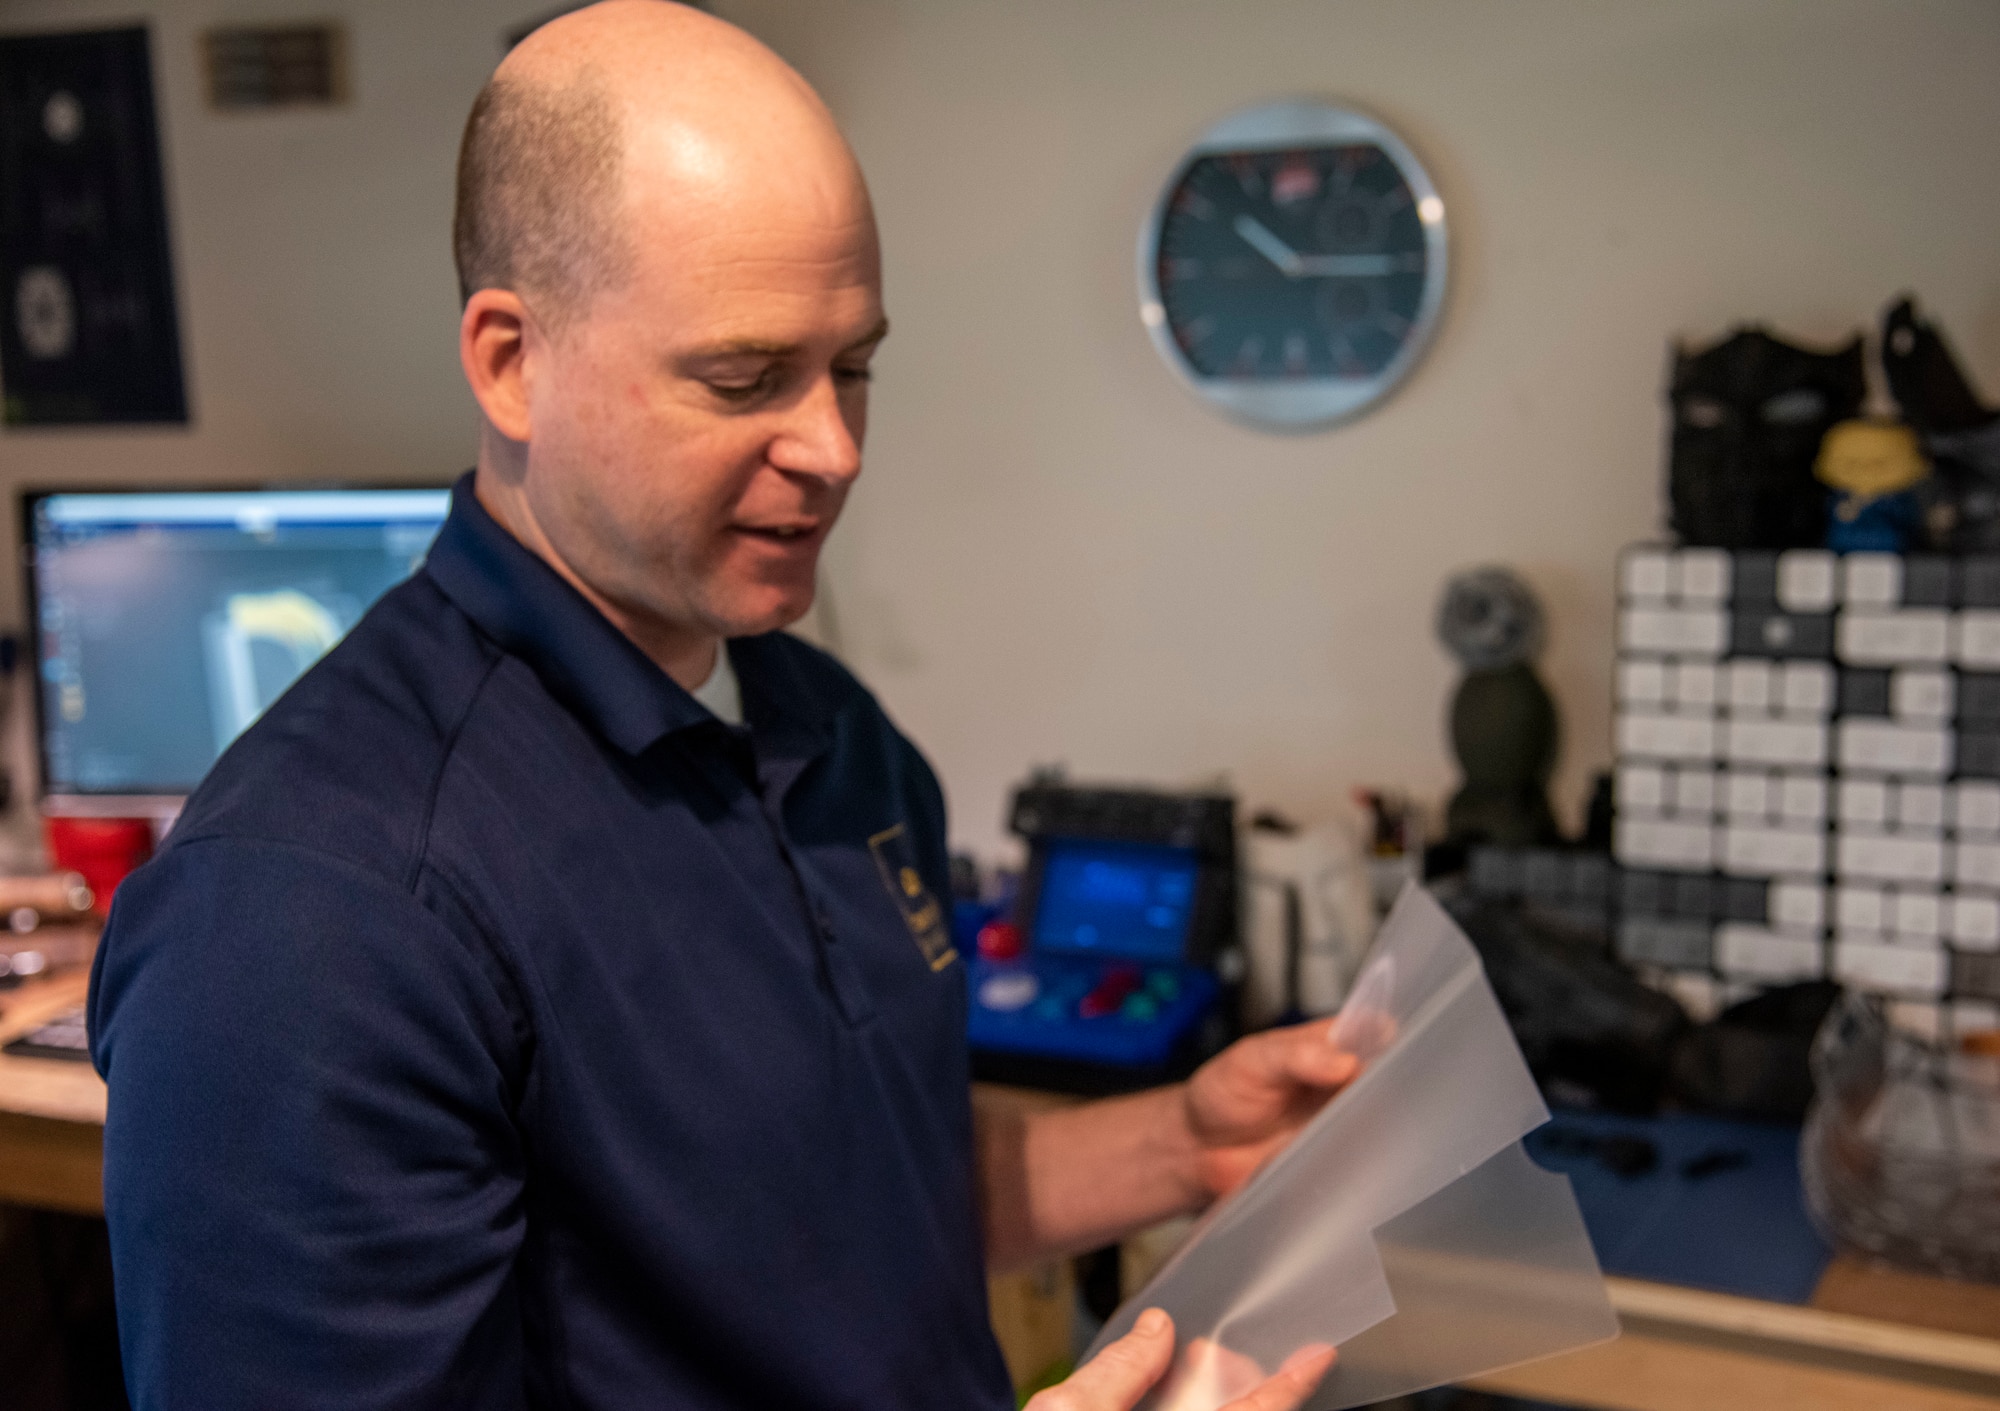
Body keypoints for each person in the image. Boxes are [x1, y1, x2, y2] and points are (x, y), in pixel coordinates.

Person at [88, 4, 1359, 1407]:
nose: (833, 450)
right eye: (745, 379)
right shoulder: (311, 910)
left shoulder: (836, 734)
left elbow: (856, 1198)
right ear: (512, 361)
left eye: (854, 366)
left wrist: (1181, 1144)